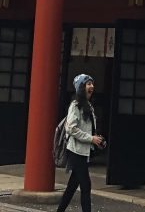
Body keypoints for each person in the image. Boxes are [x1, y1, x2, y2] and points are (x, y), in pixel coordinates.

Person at [56, 73, 105, 212]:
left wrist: (97, 139)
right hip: (76, 151)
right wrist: (91, 138)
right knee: (86, 185)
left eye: (92, 84)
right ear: (81, 88)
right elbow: (71, 128)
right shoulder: (75, 105)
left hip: (84, 151)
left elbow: (89, 129)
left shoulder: (89, 105)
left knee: (72, 186)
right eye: (88, 84)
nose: (92, 86)